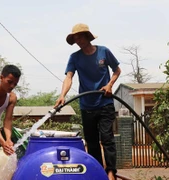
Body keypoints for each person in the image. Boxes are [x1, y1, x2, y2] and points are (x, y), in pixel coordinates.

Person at [54, 23, 121, 180]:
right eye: (75, 38)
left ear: (87, 36)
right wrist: (62, 94)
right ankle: (97, 172)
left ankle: (111, 172)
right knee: (91, 142)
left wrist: (109, 84)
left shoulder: (103, 51)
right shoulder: (75, 57)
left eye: (80, 36)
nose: (78, 40)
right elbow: (69, 77)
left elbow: (117, 70)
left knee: (107, 138)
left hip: (105, 103)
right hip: (86, 105)